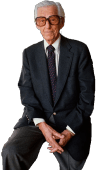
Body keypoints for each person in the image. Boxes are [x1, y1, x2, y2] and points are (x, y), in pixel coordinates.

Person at [2, 1, 95, 170]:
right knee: (11, 151)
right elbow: (26, 91)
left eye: (52, 19)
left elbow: (87, 96)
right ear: (36, 24)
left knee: (73, 164)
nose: (47, 25)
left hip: (71, 121)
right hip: (37, 119)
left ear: (62, 21)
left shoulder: (80, 50)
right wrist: (42, 125)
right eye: (41, 20)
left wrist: (70, 131)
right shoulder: (29, 53)